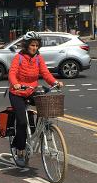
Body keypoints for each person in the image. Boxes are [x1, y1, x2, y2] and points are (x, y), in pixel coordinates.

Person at [8, 31, 62, 164]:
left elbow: (45, 73)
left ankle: (39, 130)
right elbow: (12, 72)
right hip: (17, 93)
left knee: (46, 106)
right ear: (26, 45)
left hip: (31, 90)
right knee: (21, 122)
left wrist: (55, 82)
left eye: (37, 45)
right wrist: (15, 84)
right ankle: (20, 148)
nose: (35, 48)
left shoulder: (38, 58)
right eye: (32, 45)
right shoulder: (19, 58)